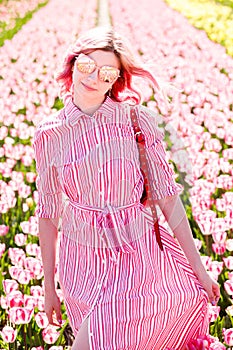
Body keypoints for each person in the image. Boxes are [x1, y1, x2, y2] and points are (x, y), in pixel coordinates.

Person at [33, 26, 220, 350]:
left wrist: (199, 269)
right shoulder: (49, 134)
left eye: (106, 74)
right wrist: (50, 286)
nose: (93, 78)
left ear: (115, 81)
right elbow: (48, 214)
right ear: (74, 62)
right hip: (82, 262)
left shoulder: (135, 122)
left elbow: (167, 196)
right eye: (88, 65)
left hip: (136, 255)